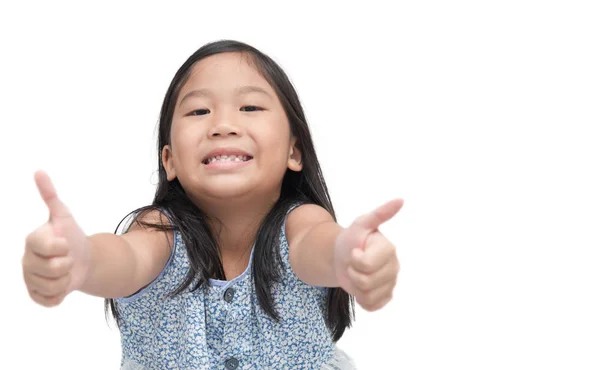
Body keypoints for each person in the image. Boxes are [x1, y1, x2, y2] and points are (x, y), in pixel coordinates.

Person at [22, 40, 403, 369]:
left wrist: (349, 257)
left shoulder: (300, 222)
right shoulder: (160, 231)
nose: (223, 124)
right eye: (198, 111)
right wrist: (82, 260)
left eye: (250, 108)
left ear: (295, 150)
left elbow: (318, 245)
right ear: (169, 160)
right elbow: (125, 257)